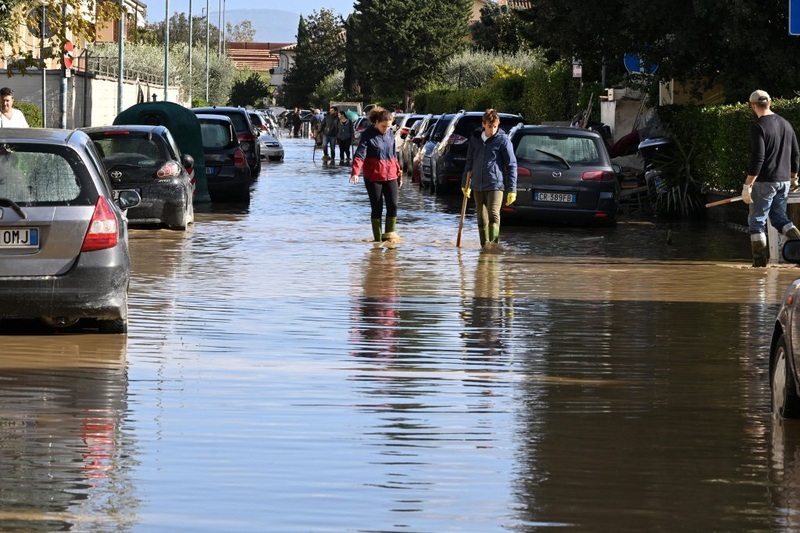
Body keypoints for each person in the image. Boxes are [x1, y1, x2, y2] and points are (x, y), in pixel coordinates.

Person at [742, 89, 800, 267]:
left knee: (756, 221)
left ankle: (759, 266)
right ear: (770, 103)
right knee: (779, 218)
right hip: (783, 181)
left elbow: (758, 157)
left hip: (765, 181)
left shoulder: (758, 126)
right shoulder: (785, 123)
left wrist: (748, 184)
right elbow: (796, 153)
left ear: (753, 106)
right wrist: (793, 177)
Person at [461, 108, 517, 249]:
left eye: (495, 127)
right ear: (483, 124)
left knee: (493, 213)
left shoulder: (503, 140)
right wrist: (465, 184)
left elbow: (511, 164)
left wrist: (512, 189)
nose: (492, 130)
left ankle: (493, 246)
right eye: (489, 126)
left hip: (495, 184)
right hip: (477, 184)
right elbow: (469, 162)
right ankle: (484, 247)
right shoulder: (475, 138)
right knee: (481, 217)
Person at [350, 106, 402, 243]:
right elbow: (360, 155)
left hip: (391, 175)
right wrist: (355, 173)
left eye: (389, 126)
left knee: (393, 205)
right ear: (376, 123)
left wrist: (398, 173)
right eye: (384, 126)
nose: (386, 129)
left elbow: (393, 155)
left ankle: (389, 238)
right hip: (373, 177)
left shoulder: (391, 134)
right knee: (377, 206)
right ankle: (378, 242)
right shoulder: (367, 134)